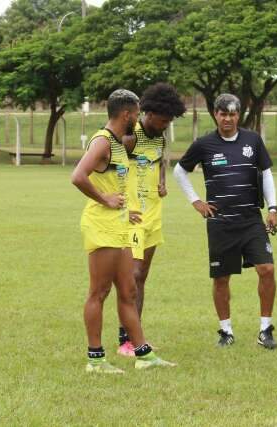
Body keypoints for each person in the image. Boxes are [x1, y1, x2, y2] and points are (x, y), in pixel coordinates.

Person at [71, 89, 175, 373]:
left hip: (121, 225)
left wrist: (126, 209)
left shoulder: (117, 144)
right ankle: (96, 359)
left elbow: (114, 184)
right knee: (99, 292)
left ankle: (144, 355)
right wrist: (105, 199)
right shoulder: (103, 141)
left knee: (128, 289)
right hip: (102, 227)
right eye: (138, 113)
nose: (139, 118)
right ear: (127, 114)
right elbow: (78, 176)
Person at [173, 93, 277, 349]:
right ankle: (226, 331)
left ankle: (265, 329)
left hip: (251, 220)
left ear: (238, 115)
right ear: (216, 115)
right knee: (221, 278)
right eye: (223, 114)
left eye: (232, 114)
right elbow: (179, 171)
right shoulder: (204, 144)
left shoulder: (252, 140)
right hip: (220, 223)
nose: (228, 118)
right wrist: (196, 201)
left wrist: (273, 207)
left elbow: (266, 173)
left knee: (267, 269)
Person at [116, 83, 187, 356]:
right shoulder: (130, 136)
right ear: (150, 112)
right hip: (132, 216)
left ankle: (137, 338)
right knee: (131, 276)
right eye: (164, 119)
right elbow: (114, 169)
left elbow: (159, 163)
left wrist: (161, 182)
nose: (167, 124)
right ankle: (126, 340)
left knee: (142, 276)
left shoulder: (160, 137)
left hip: (154, 215)